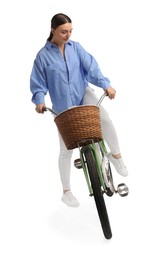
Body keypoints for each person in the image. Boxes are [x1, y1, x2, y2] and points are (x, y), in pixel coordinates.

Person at [30, 13, 128, 207]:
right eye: (63, 32)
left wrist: (105, 85)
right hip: (62, 106)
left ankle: (116, 156)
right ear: (53, 30)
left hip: (83, 94)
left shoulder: (76, 48)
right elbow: (38, 83)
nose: (68, 35)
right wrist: (39, 101)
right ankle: (66, 192)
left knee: (105, 118)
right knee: (65, 150)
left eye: (70, 31)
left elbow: (92, 68)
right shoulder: (43, 56)